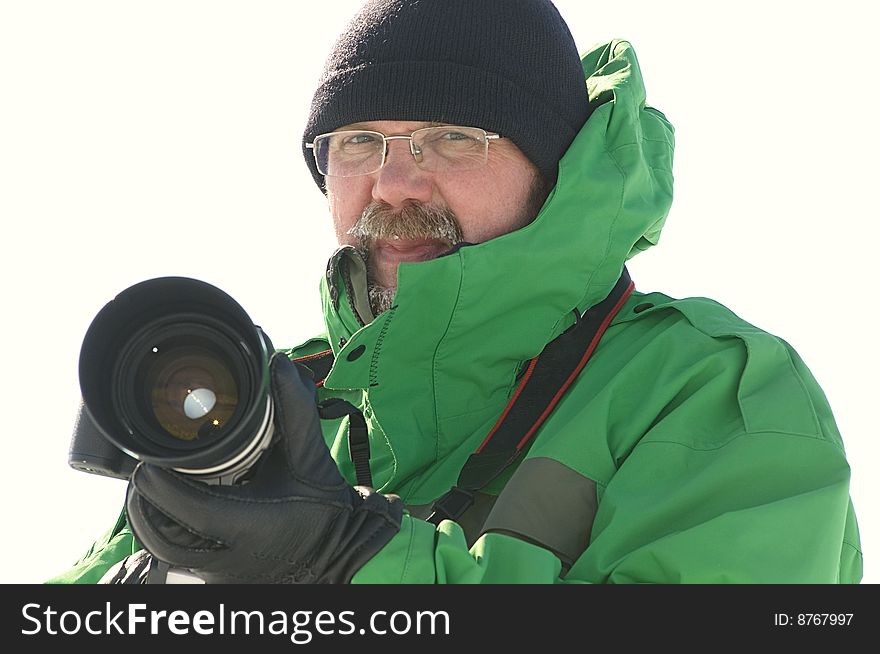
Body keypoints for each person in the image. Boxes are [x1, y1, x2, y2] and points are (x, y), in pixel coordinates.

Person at [50, 0, 862, 584]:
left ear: (554, 170)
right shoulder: (266, 408)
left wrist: (347, 567)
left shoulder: (711, 388)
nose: (394, 184)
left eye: (452, 138)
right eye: (360, 142)